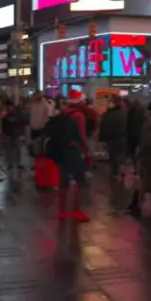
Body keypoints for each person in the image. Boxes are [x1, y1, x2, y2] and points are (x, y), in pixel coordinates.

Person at [45, 89, 92, 222]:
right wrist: (87, 152)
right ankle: (76, 211)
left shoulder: (63, 114)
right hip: (73, 150)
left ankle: (63, 212)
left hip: (60, 151)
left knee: (63, 182)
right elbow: (82, 136)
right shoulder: (79, 116)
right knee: (79, 181)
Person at [99, 95, 128, 178]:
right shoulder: (124, 113)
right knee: (121, 155)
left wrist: (102, 138)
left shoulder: (108, 114)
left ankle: (115, 172)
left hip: (111, 138)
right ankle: (121, 171)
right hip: (122, 137)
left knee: (113, 155)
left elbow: (104, 126)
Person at [1, 100, 27, 181]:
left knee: (18, 149)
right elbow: (3, 124)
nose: (9, 108)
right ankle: (10, 163)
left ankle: (19, 163)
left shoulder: (19, 113)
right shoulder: (6, 114)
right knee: (10, 150)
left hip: (17, 134)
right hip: (9, 134)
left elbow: (24, 121)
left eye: (10, 106)